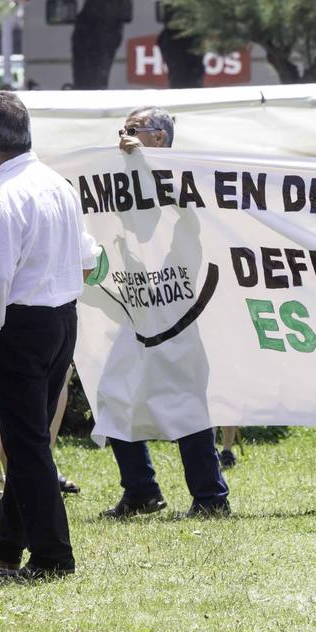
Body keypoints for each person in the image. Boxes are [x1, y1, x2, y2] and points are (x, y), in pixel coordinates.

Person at [0, 92, 99, 579]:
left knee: (26, 444)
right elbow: (88, 256)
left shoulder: (1, 197)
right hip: (61, 318)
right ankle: (6, 543)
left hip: (19, 326)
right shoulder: (57, 184)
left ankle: (52, 556)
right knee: (31, 438)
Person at [102, 107, 231, 518]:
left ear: (158, 138)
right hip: (139, 309)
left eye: (132, 129)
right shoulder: (127, 179)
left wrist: (145, 162)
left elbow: (189, 218)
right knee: (113, 394)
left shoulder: (182, 177)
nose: (123, 136)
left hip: (178, 311)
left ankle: (211, 497)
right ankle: (141, 490)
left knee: (186, 404)